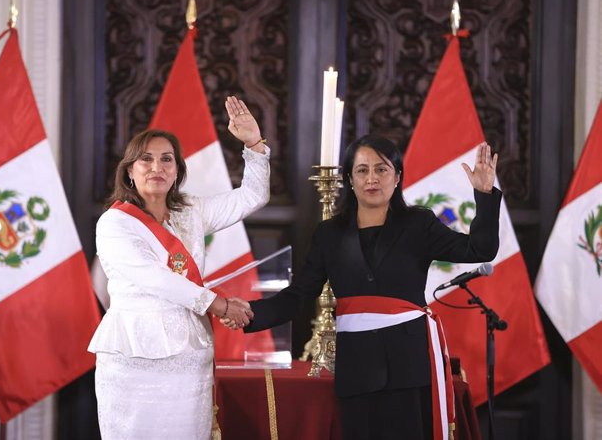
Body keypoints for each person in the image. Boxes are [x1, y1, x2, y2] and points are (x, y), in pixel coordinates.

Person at [231, 134, 501, 439]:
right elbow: (300, 295)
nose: (371, 178)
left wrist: (485, 195)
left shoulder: (418, 224)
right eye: (361, 170)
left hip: (409, 365)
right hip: (357, 368)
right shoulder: (329, 233)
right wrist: (250, 312)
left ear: (397, 177)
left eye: (381, 169)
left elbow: (479, 251)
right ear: (349, 178)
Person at [88, 96, 267, 439]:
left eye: (166, 160)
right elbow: (153, 278)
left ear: (177, 171)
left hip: (189, 355)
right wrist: (217, 303)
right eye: (146, 160)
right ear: (129, 170)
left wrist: (253, 145)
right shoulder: (114, 223)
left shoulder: (191, 213)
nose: (157, 167)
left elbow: (252, 198)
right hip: (133, 356)